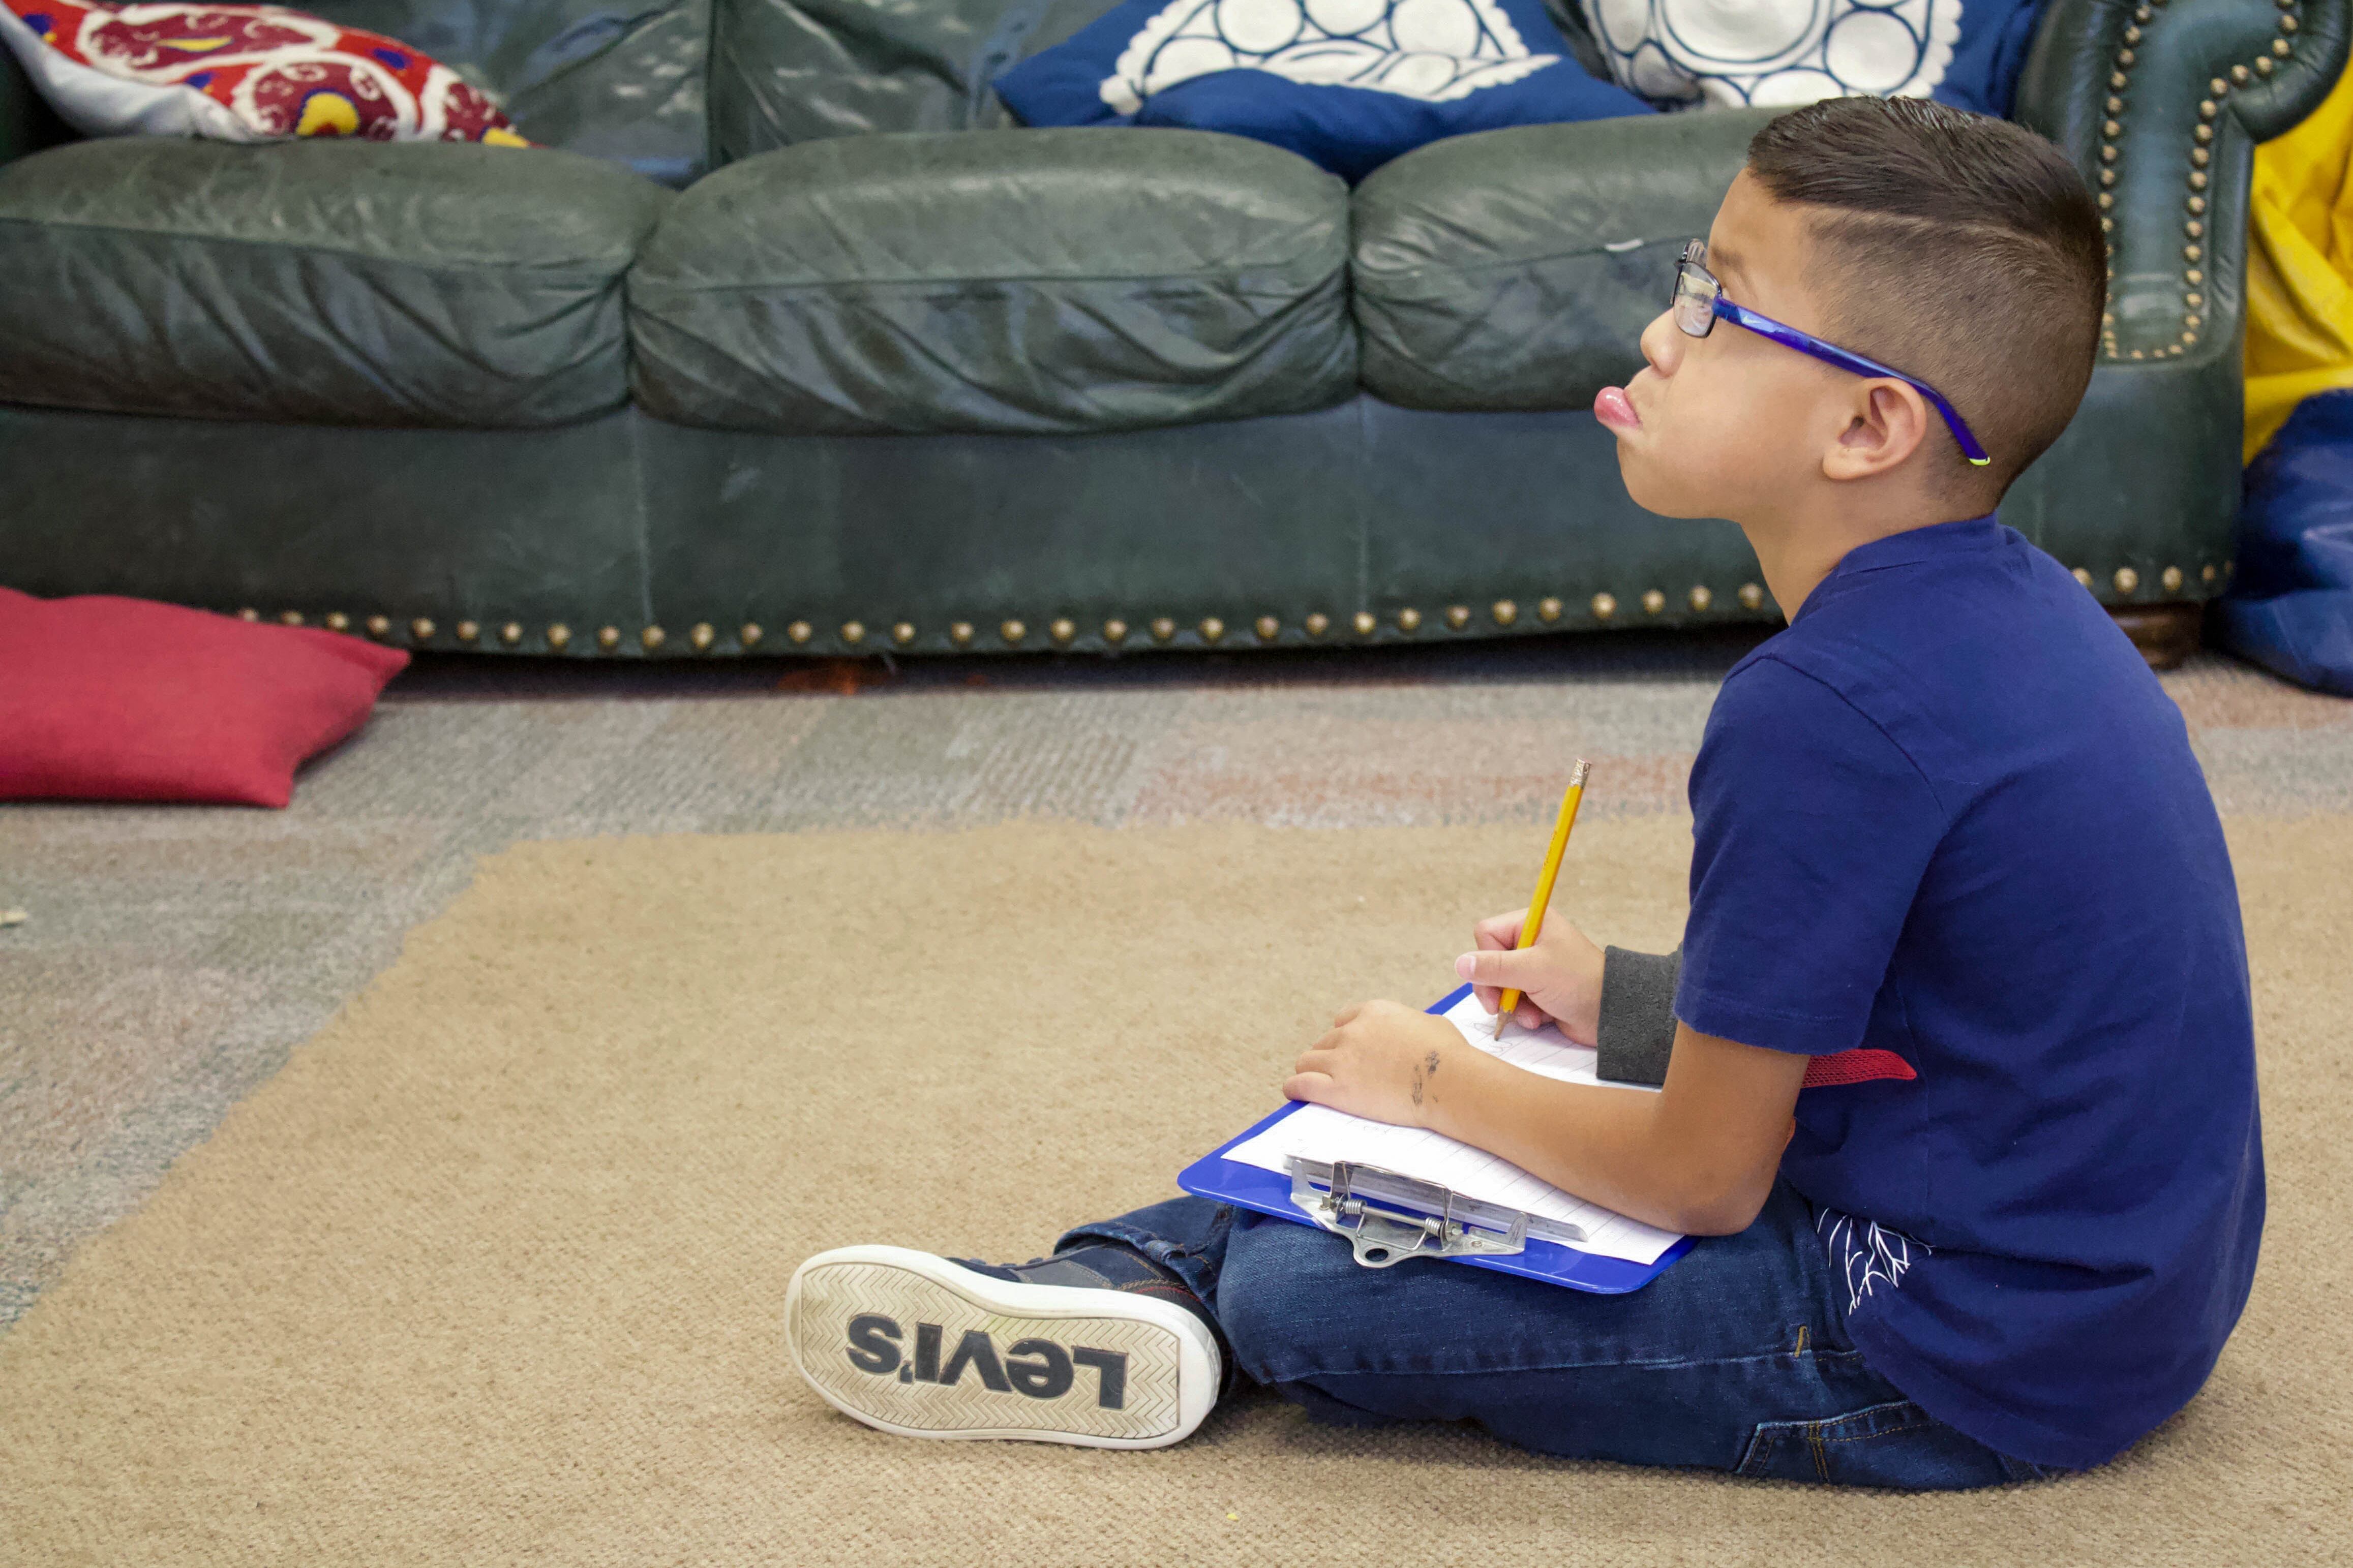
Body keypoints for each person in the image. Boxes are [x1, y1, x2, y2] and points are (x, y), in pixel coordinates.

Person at [781, 96, 2263, 1489]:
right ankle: (1122, 1283)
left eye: (1713, 307)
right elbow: (1926, 991)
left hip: (1952, 1347)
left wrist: (1438, 1083)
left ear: (1866, 429)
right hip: (2107, 1296)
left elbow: (1698, 1179)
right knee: (1418, 1148)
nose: (1655, 336)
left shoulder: (1820, 710)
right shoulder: (2015, 608)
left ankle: (1173, 1291)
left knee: (1317, 1287)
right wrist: (1619, 998)